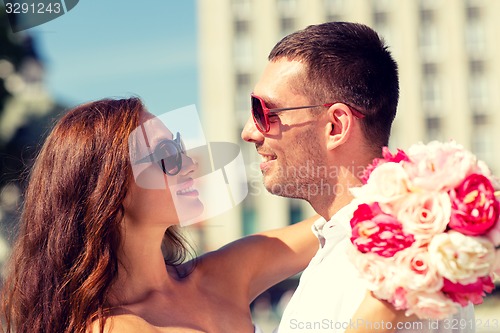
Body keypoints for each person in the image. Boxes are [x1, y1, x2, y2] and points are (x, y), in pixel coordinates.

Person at [0, 97, 319, 333]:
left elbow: (349, 219)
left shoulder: (225, 272)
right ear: (109, 188)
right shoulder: (113, 328)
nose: (190, 164)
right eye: (166, 155)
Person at [241, 22, 475, 332]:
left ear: (335, 126)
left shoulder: (392, 267)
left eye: (264, 112)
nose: (249, 132)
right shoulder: (348, 244)